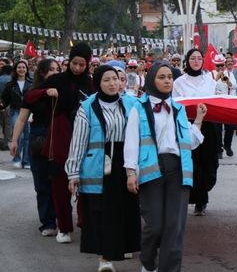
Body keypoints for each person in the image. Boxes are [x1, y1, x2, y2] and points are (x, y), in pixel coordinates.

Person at [123, 62, 208, 272]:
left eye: (170, 77)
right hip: (151, 169)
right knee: (155, 226)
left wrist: (198, 120)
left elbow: (188, 140)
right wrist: (130, 172)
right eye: (161, 77)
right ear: (152, 79)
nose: (167, 80)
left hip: (177, 169)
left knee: (175, 226)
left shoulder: (178, 108)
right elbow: (132, 141)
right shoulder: (138, 108)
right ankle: (148, 261)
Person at [65, 66, 141, 272]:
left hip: (125, 166)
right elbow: (78, 141)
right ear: (98, 83)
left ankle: (122, 247)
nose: (112, 84)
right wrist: (73, 173)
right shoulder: (87, 107)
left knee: (125, 210)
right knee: (101, 214)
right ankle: (104, 259)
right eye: (106, 80)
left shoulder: (132, 104)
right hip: (99, 167)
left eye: (115, 79)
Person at [25, 42, 96, 244]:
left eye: (82, 64)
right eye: (74, 63)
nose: (77, 68)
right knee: (59, 182)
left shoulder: (91, 83)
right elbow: (29, 98)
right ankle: (64, 227)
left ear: (88, 64)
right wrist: (45, 92)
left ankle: (85, 222)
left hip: (85, 136)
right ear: (69, 61)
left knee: (86, 179)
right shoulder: (56, 79)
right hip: (60, 135)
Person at [9, 58, 60, 237]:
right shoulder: (33, 93)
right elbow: (22, 119)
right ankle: (48, 222)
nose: (54, 72)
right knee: (42, 183)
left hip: (61, 139)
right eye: (50, 69)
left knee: (59, 182)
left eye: (57, 69)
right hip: (39, 139)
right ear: (42, 72)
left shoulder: (65, 91)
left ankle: (62, 219)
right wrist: (14, 140)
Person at [173, 49, 219, 216]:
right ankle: (199, 200)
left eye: (199, 58)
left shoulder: (210, 81)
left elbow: (218, 100)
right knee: (194, 162)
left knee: (210, 162)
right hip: (189, 126)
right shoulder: (179, 83)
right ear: (187, 61)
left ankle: (204, 191)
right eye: (193, 58)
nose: (196, 61)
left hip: (209, 126)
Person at [2, 60, 32, 169]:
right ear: (15, 70)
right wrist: (2, 106)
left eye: (24, 67)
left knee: (28, 136)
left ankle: (26, 160)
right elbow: (5, 100)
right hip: (15, 111)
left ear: (27, 69)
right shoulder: (10, 85)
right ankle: (17, 158)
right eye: (19, 67)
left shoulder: (31, 83)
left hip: (29, 112)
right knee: (19, 135)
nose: (21, 69)